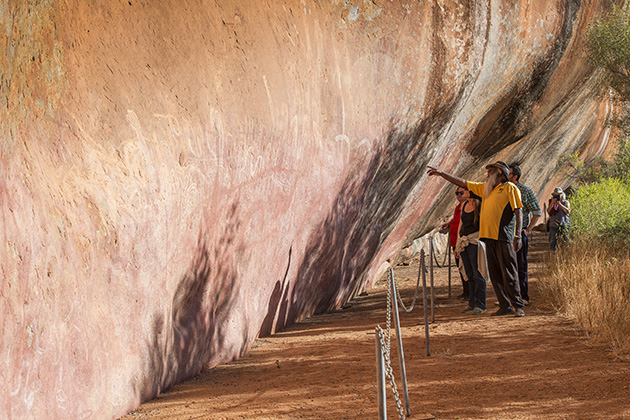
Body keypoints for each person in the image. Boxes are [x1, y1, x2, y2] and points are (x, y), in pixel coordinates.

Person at [427, 161, 526, 317]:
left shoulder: (509, 188)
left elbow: (518, 210)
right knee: (494, 273)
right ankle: (504, 305)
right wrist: (442, 174)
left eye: (491, 171)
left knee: (509, 271)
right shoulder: (485, 190)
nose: (487, 174)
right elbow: (464, 183)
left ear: (500, 173)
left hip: (503, 236)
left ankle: (517, 305)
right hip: (488, 237)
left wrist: (518, 235)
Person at [508, 164, 542, 305]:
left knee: (520, 265)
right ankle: (510, 298)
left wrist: (528, 229)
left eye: (508, 173)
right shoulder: (502, 190)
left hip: (519, 234)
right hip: (505, 234)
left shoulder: (525, 191)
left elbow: (537, 212)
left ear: (515, 176)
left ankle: (523, 297)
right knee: (507, 266)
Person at [456, 190, 487, 314]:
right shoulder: (464, 205)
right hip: (464, 241)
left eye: (465, 192)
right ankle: (472, 302)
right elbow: (461, 223)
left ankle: (481, 304)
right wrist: (458, 242)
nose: (463, 195)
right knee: (469, 273)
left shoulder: (480, 205)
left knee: (477, 273)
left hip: (474, 241)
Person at [440, 186, 469, 300]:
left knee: (466, 267)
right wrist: (449, 224)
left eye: (461, 193)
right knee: (460, 267)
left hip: (462, 242)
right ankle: (466, 291)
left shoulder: (468, 206)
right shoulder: (458, 206)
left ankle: (470, 292)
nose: (459, 195)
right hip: (455, 242)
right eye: (457, 193)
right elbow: (457, 220)